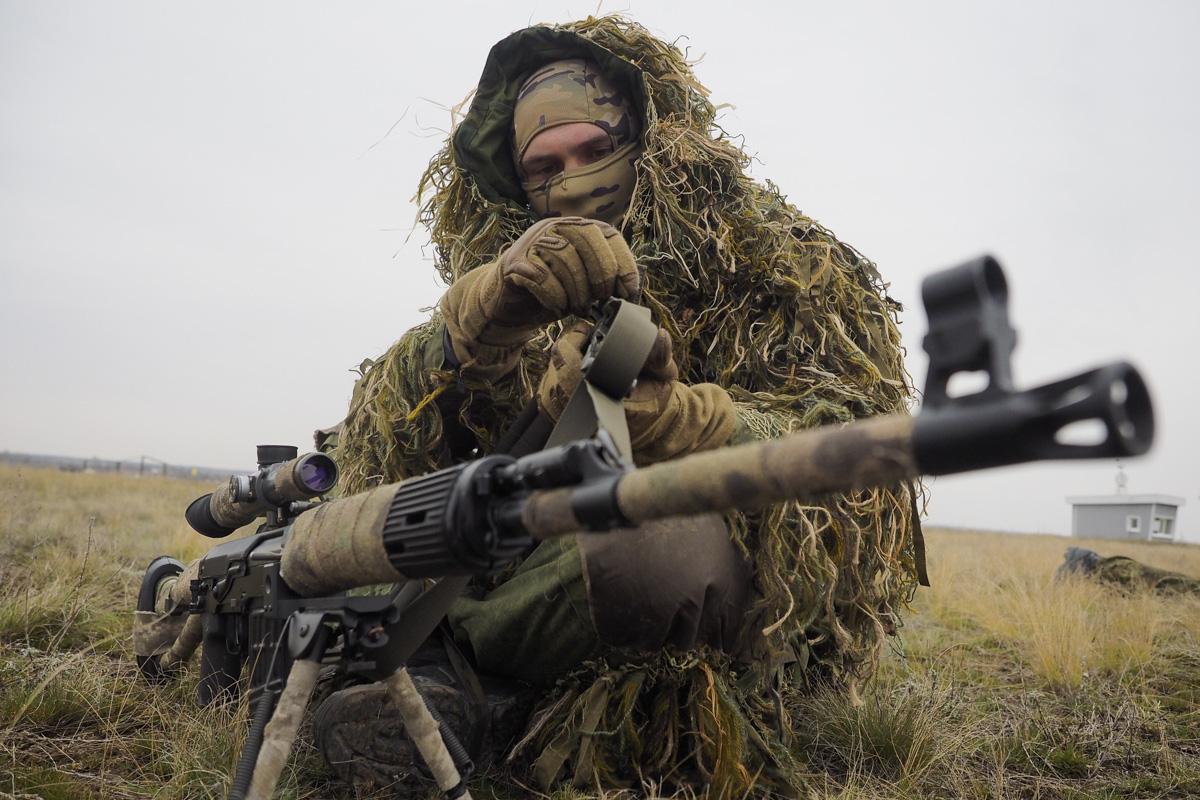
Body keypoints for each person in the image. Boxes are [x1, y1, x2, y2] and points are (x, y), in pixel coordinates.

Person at [314, 15, 924, 795]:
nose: (570, 180)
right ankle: (436, 670)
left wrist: (698, 426)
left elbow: (864, 462)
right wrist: (469, 340)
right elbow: (385, 452)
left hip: (706, 581)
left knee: (650, 537)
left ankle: (444, 660)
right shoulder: (516, 274)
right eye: (544, 166)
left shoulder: (780, 267)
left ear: (648, 140)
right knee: (366, 533)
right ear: (518, 182)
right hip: (512, 555)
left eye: (596, 150)